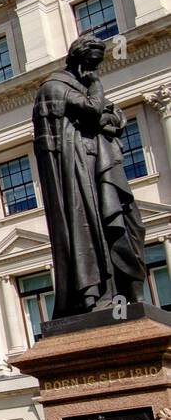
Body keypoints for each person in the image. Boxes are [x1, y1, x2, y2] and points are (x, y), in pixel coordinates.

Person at [32, 34, 147, 318]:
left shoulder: (79, 88)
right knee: (91, 232)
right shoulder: (54, 87)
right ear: (77, 60)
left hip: (102, 169)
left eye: (97, 66)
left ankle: (129, 295)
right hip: (78, 176)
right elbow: (95, 111)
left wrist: (105, 116)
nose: (94, 71)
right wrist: (97, 88)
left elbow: (115, 118)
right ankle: (95, 295)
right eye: (90, 64)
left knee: (131, 227)